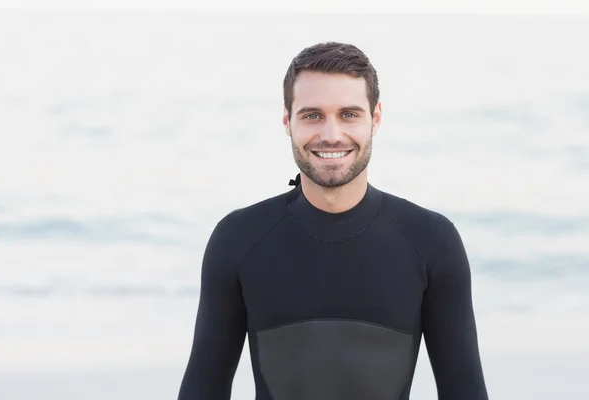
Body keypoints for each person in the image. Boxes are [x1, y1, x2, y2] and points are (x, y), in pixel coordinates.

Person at [177, 41, 488, 399]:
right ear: (286, 121)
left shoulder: (432, 242)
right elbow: (203, 388)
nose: (330, 134)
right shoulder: (238, 239)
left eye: (349, 114)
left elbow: (465, 392)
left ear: (376, 118)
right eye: (312, 115)